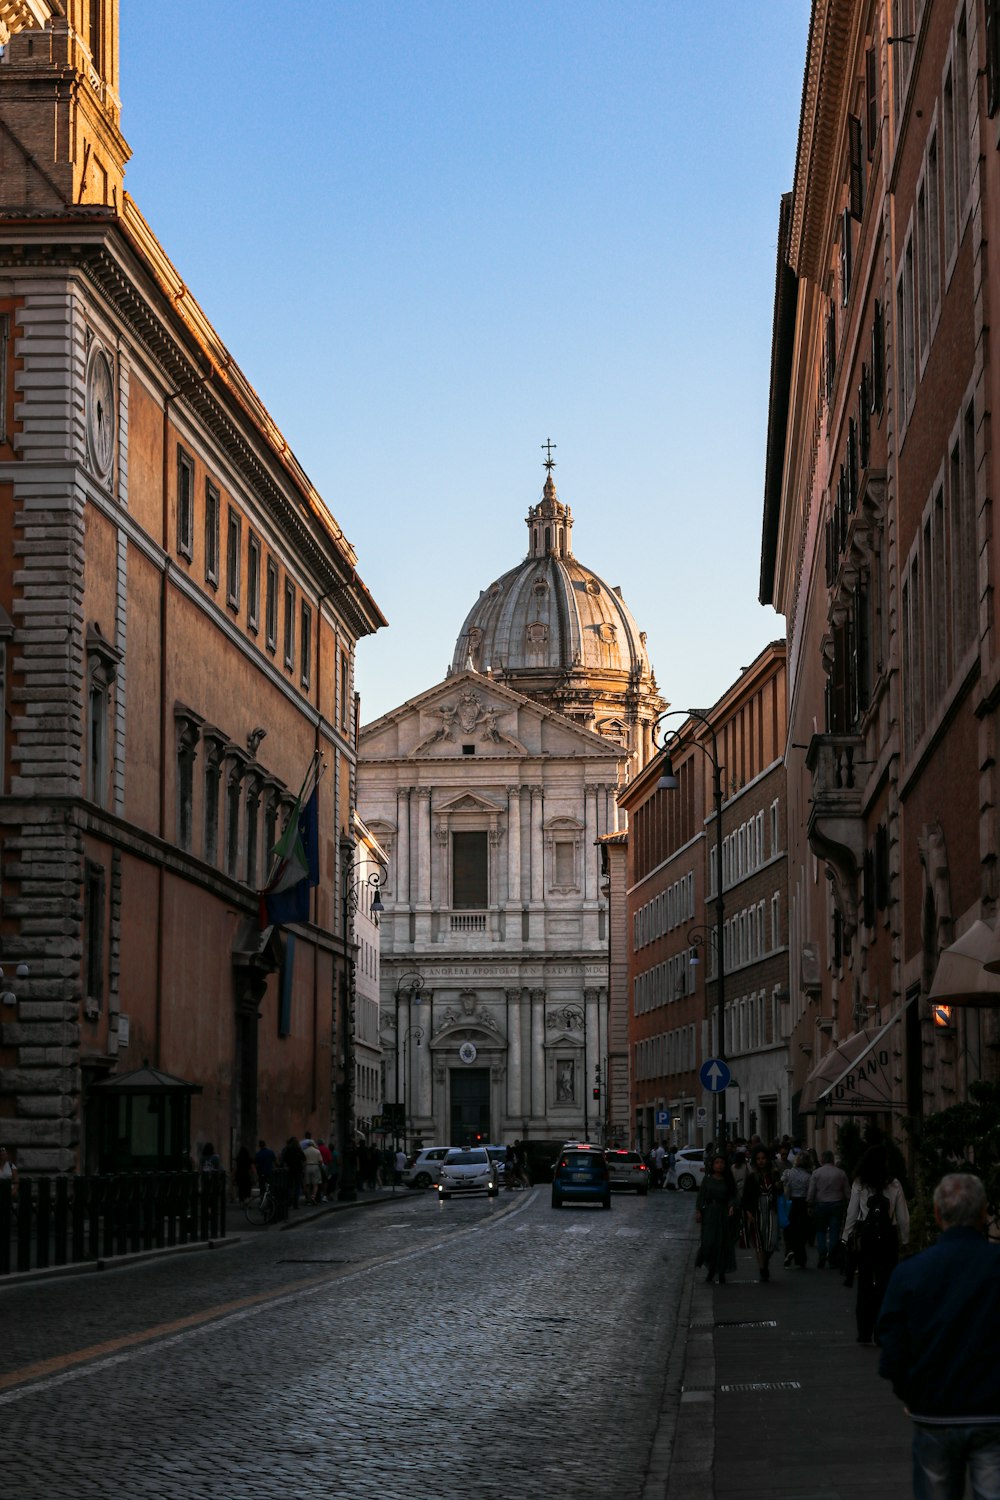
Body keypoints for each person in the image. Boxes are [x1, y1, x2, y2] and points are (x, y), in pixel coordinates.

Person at [878, 1173, 1000, 1500]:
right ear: (983, 1212)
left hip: (935, 1410)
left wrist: (909, 1391)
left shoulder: (911, 1272)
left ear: (936, 1214)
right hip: (992, 1410)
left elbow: (891, 1345)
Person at [842, 1146, 909, 1344]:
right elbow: (903, 1216)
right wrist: (905, 1240)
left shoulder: (860, 1183)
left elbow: (852, 1213)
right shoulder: (894, 1184)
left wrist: (846, 1237)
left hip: (867, 1239)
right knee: (886, 1284)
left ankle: (864, 1331)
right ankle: (882, 1331)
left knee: (865, 1284)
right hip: (888, 1239)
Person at [695, 1154, 738, 1285]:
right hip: (709, 1213)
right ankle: (711, 1267)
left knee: (722, 1242)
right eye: (717, 1163)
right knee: (709, 1242)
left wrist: (731, 1206)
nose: (719, 1165)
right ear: (713, 1166)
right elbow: (701, 1195)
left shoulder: (728, 1180)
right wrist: (698, 1211)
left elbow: (733, 1196)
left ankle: (721, 1272)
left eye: (722, 1163)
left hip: (723, 1213)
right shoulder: (707, 1180)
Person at [807, 1150, 850, 1268]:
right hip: (837, 1203)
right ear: (832, 1160)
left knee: (820, 1230)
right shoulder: (841, 1173)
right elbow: (847, 1192)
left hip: (821, 1204)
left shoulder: (816, 1173)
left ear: (822, 1159)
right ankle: (832, 1254)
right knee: (834, 1231)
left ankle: (822, 1252)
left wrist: (810, 1204)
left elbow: (811, 1191)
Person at [742, 1146, 779, 1282]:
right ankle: (762, 1269)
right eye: (758, 1159)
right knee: (758, 1242)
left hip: (771, 1211)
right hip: (757, 1212)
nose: (761, 1161)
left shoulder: (774, 1175)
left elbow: (779, 1192)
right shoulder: (752, 1177)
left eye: (763, 1158)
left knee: (772, 1241)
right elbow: (746, 1196)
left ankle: (765, 1260)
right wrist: (748, 1212)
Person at [782, 1151, 812, 1268]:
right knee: (802, 1230)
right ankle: (800, 1257)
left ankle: (790, 1249)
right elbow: (810, 1192)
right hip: (803, 1203)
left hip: (792, 1202)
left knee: (790, 1228)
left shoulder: (789, 1173)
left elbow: (782, 1181)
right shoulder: (809, 1176)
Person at [281, 1135, 305, 1209]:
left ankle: (289, 1202)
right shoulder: (299, 1149)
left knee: (290, 1187)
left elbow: (284, 1159)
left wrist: (287, 1165)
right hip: (298, 1170)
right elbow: (304, 1158)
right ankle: (295, 1204)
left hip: (290, 1170)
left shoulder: (288, 1149)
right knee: (297, 1188)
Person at [302, 1135, 323, 1205]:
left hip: (307, 1167)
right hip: (315, 1166)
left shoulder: (304, 1151)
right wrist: (319, 1168)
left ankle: (308, 1199)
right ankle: (313, 1197)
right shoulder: (317, 1151)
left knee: (308, 1184)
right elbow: (320, 1161)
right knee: (315, 1184)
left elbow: (303, 1161)